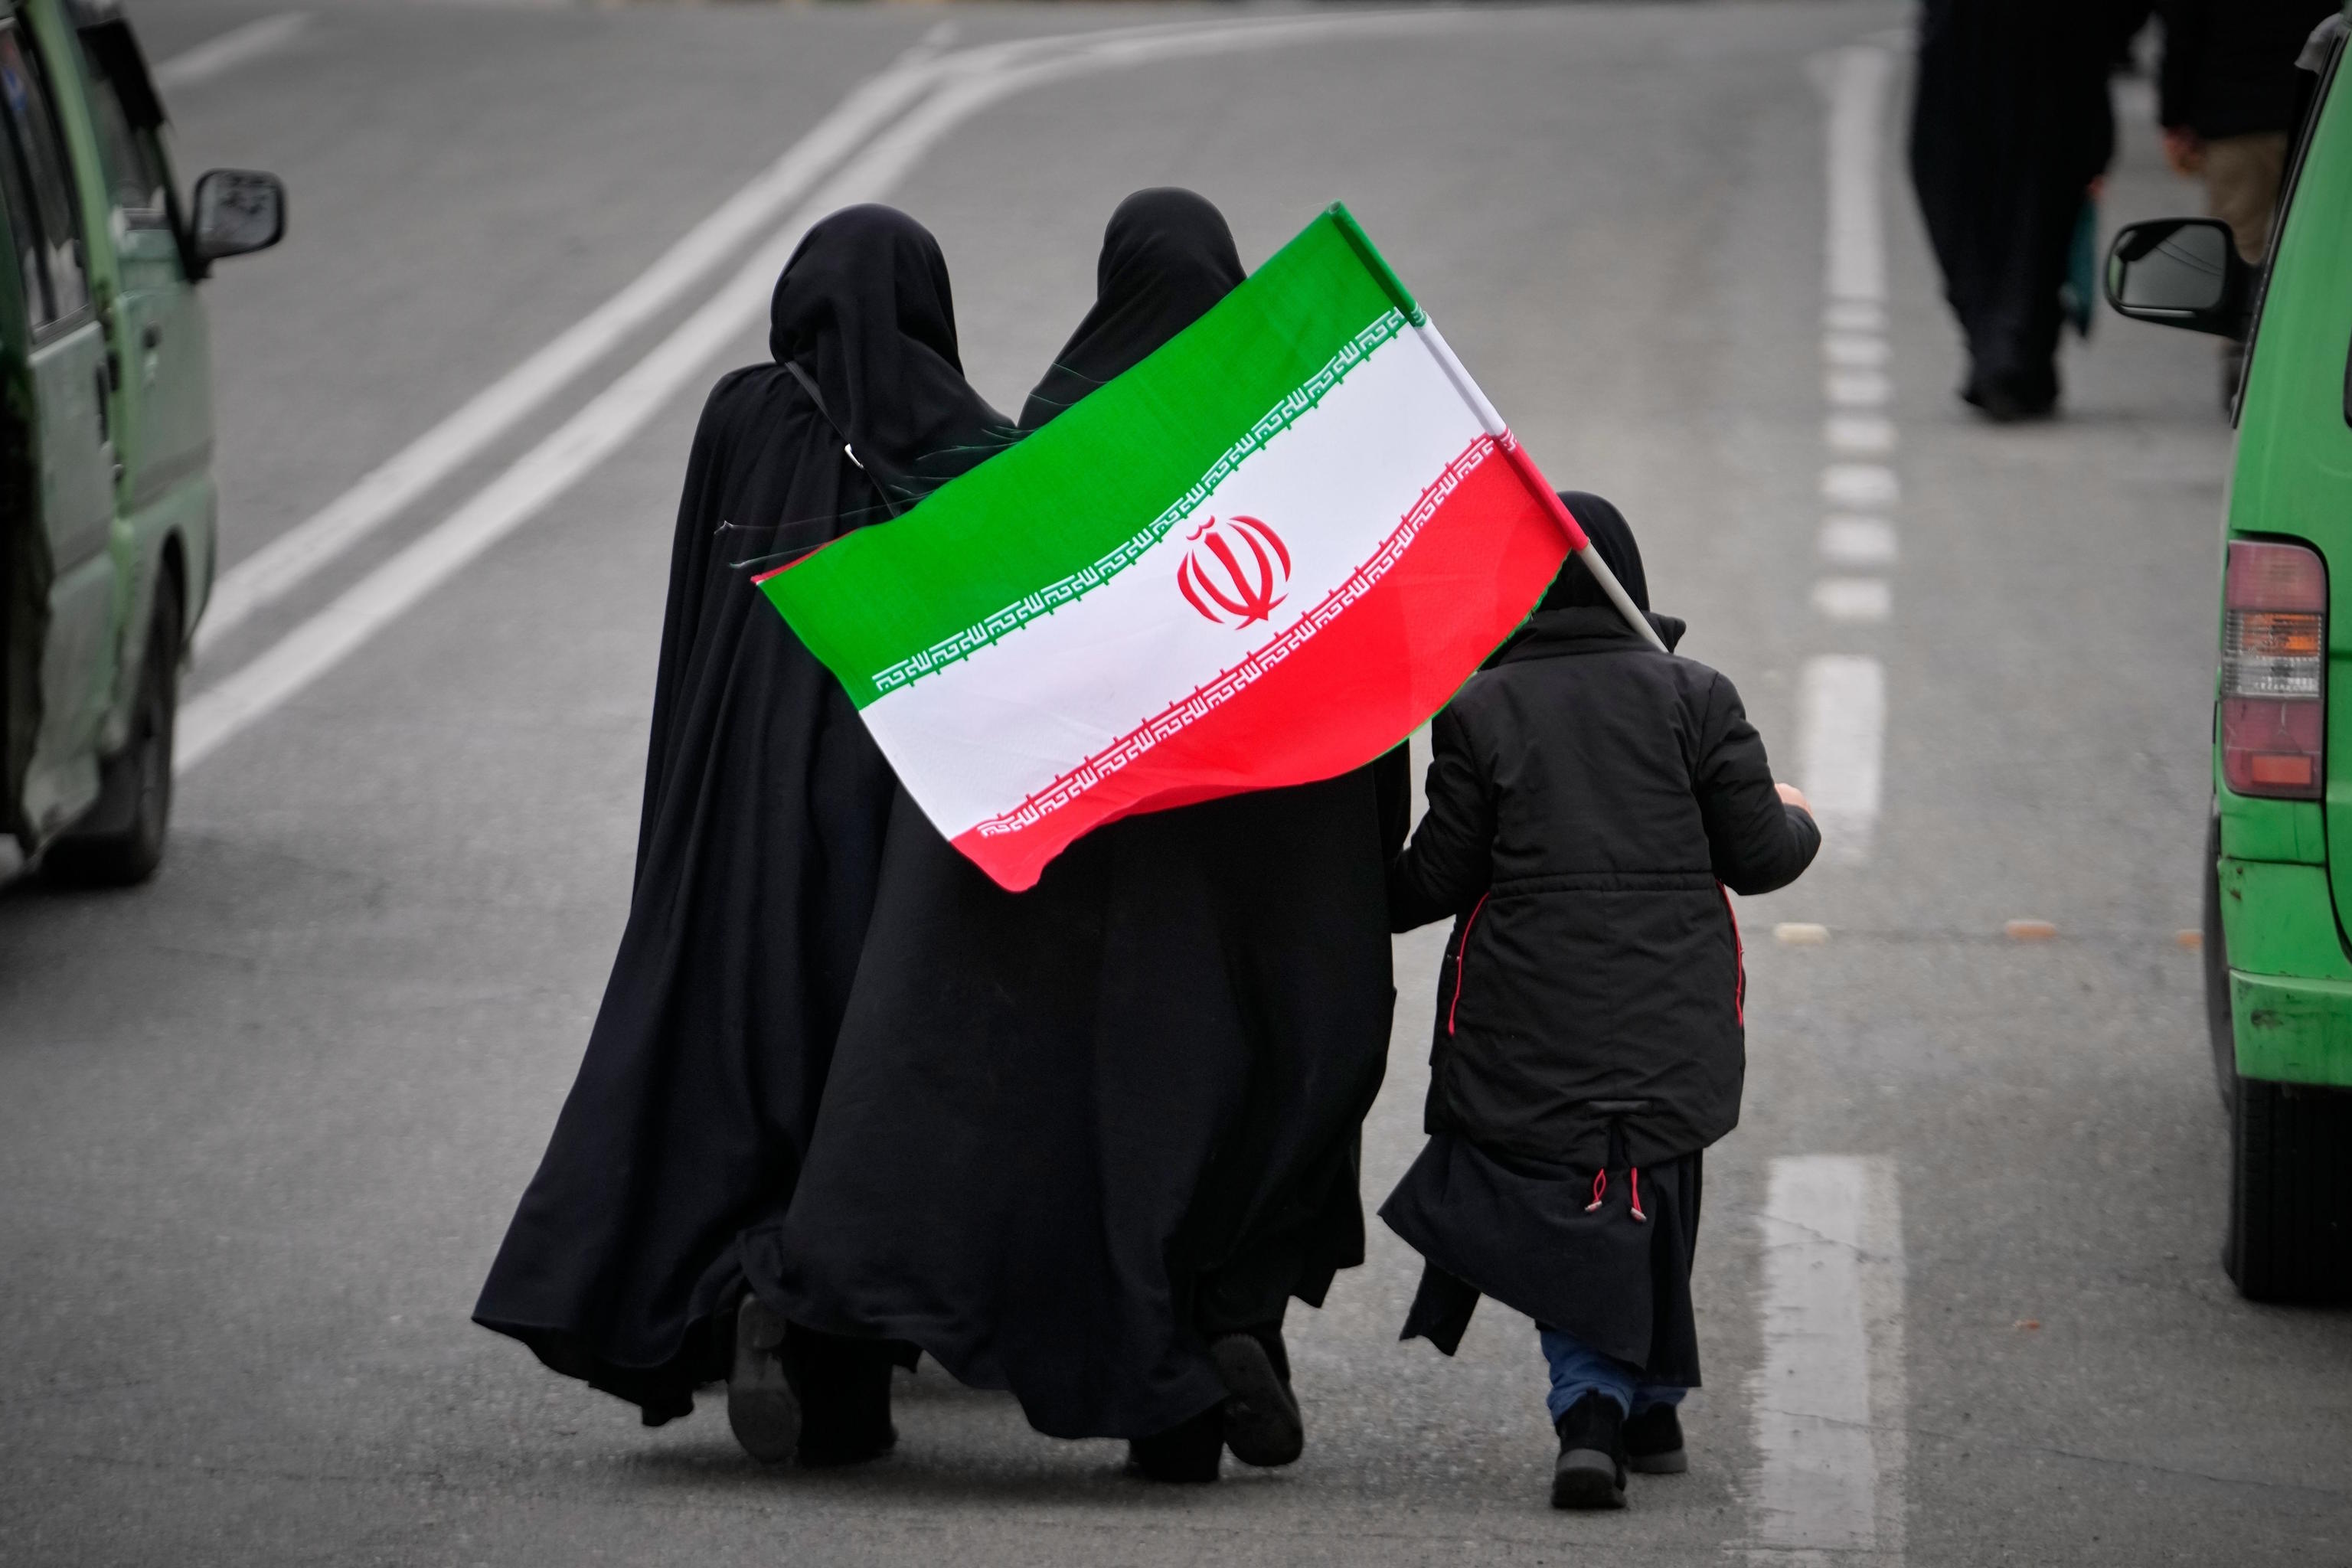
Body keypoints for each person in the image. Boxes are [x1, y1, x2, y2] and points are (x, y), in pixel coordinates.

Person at [735, 188, 1407, 1482]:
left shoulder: (1047, 478)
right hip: (1244, 917)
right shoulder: (1290, 487)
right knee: (1210, 1132)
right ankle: (1200, 1372)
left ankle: (849, 1358)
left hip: (1047, 905)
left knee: (1000, 1131)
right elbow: (1368, 709)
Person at [472, 206, 1009, 1464]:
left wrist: (681, 802)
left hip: (740, 803)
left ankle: (734, 1289)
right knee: (862, 1070)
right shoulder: (968, 446)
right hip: (889, 820)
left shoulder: (741, 414)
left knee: (734, 1051)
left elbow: (695, 609)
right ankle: (838, 1361)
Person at [1377, 495, 1819, 1511]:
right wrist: (1801, 817)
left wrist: (1332, 886)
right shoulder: (1697, 695)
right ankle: (1610, 1411)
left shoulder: (1482, 707)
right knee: (1653, 1181)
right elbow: (1761, 857)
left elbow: (1435, 878)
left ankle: (1619, 1406)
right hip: (1676, 1008)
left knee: (1567, 1196)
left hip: (1525, 1011)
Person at [1909, 0, 2148, 420]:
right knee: (2038, 239)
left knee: (1980, 238)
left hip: (1967, 90)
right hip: (2051, 87)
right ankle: (2017, 359)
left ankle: (1999, 356)